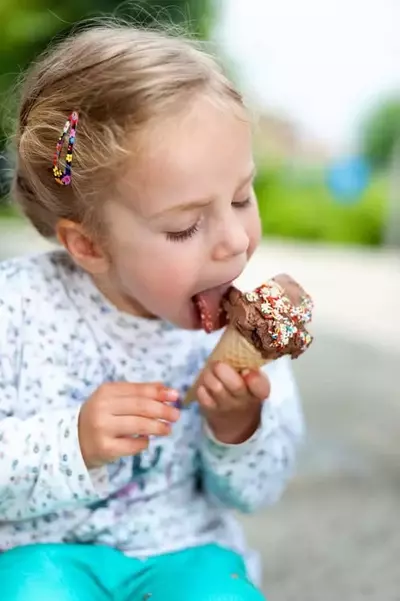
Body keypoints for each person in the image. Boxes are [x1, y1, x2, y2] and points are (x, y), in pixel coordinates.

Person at [0, 24, 304, 601]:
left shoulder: (251, 338)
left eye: (242, 198)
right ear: (89, 244)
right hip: (42, 558)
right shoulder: (15, 310)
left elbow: (257, 493)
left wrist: (237, 428)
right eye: (184, 226)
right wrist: (73, 441)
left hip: (184, 553)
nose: (234, 242)